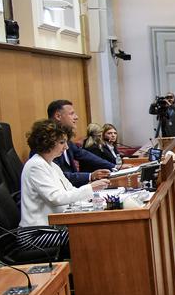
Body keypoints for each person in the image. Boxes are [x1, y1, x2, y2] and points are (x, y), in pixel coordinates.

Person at [8, 120, 109, 260]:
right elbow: (56, 198)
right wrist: (90, 188)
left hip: (49, 229)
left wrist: (95, 198)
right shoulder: (35, 166)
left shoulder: (52, 165)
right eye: (62, 142)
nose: (66, 147)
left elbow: (70, 190)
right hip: (34, 235)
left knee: (92, 231)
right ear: (47, 143)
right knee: (87, 235)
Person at [44, 100, 112, 186]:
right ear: (58, 116)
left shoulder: (67, 140)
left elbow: (84, 155)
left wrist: (114, 166)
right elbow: (59, 177)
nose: (76, 117)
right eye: (71, 113)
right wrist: (90, 176)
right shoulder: (45, 143)